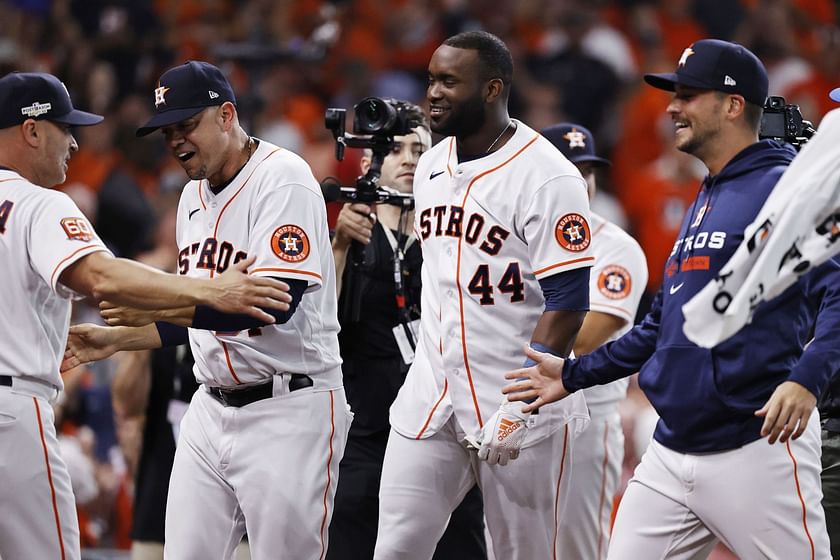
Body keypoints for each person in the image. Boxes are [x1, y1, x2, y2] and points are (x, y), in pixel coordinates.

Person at [503, 39, 840, 559]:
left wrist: (805, 380)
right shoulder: (708, 193)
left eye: (688, 95)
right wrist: (571, 375)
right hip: (671, 449)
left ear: (732, 105)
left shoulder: (783, 188)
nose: (671, 107)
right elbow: (662, 323)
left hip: (754, 449)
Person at [62, 61, 351, 560]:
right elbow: (204, 321)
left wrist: (160, 296)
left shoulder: (283, 178)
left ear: (226, 115)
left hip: (288, 406)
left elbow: (272, 306)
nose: (176, 140)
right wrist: (119, 340)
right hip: (209, 409)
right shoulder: (192, 195)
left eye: (187, 125)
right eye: (168, 130)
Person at [0, 71, 289, 560]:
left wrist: (121, 338)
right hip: (11, 417)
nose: (73, 143)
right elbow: (103, 278)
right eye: (64, 128)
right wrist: (212, 289)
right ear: (31, 130)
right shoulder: (36, 203)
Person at [373, 31, 593, 560]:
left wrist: (521, 406)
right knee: (396, 550)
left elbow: (569, 300)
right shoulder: (429, 166)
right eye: (431, 79)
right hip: (431, 399)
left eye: (450, 81)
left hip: (519, 407)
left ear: (493, 89)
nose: (434, 92)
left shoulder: (547, 177)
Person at [327, 99, 486, 560]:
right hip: (365, 417)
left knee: (461, 540)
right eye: (394, 149)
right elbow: (320, 324)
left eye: (419, 148)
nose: (409, 159)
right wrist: (338, 245)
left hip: (438, 415)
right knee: (353, 539)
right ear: (368, 160)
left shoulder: (451, 229)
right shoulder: (348, 228)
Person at [540, 122, 648, 560]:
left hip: (585, 416)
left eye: (587, 169)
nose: (582, 181)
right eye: (569, 169)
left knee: (578, 548)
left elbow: (584, 338)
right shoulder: (514, 240)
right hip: (518, 412)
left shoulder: (617, 247)